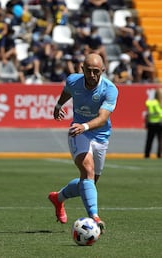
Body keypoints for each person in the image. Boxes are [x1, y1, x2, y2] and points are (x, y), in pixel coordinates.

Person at [48, 53, 118, 234]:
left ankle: (58, 198)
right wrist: (58, 106)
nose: (92, 75)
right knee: (87, 170)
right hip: (78, 132)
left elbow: (103, 118)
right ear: (82, 69)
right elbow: (67, 92)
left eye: (96, 71)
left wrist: (86, 126)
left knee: (90, 182)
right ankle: (94, 217)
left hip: (100, 135)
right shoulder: (73, 80)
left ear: (103, 70)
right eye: (89, 71)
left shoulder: (110, 89)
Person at [144, 88, 162, 158]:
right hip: (160, 123)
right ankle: (159, 154)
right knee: (160, 140)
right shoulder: (160, 103)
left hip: (151, 123)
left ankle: (147, 154)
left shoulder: (150, 102)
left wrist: (146, 122)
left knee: (149, 140)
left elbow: (148, 114)